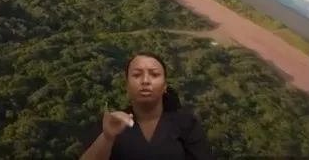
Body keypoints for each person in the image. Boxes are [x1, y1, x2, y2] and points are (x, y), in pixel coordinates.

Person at [79, 53, 215, 160]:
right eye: (137, 75)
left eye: (154, 74)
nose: (145, 81)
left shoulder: (185, 123)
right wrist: (107, 137)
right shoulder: (111, 124)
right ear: (126, 85)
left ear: (165, 86)